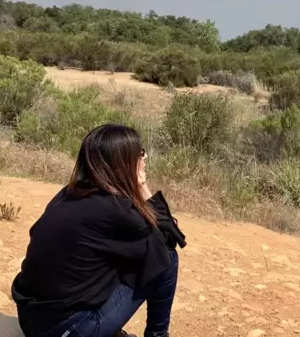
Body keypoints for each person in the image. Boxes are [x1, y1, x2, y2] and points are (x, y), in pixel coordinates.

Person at [12, 124, 186, 337]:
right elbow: (170, 235)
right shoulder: (117, 211)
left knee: (137, 253)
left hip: (31, 318)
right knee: (165, 256)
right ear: (123, 162)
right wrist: (141, 186)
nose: (145, 157)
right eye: (140, 152)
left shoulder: (70, 192)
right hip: (66, 329)